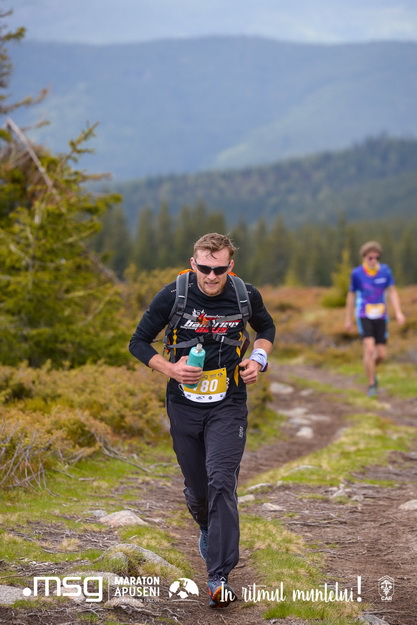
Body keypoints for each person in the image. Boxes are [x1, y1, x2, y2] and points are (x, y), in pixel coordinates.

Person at [129, 233, 275, 608]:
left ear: (230, 266)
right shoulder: (173, 295)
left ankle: (218, 577)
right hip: (184, 403)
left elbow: (266, 329)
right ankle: (207, 526)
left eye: (219, 269)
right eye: (205, 268)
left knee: (221, 481)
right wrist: (170, 369)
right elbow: (138, 342)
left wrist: (258, 360)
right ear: (193, 264)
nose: (212, 276)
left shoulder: (244, 295)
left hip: (229, 401)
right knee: (198, 491)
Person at [344, 241, 405, 396]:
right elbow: (351, 295)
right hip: (364, 315)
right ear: (364, 257)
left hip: (381, 316)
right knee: (370, 349)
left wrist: (398, 312)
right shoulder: (357, 273)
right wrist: (348, 319)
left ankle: (370, 370)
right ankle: (372, 385)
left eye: (376, 258)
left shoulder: (385, 271)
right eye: (370, 258)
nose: (373, 260)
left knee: (381, 354)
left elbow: (392, 292)